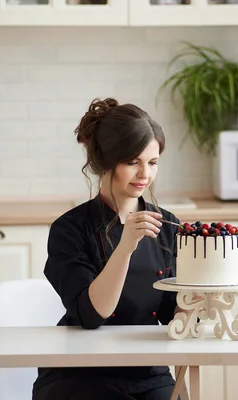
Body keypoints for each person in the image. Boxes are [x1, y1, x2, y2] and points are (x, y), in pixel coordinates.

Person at [32, 98, 182, 400]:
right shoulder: (69, 229)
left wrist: (203, 296)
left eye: (152, 163)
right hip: (81, 372)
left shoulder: (167, 225)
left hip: (147, 372)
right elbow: (91, 315)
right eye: (132, 162)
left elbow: (171, 315)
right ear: (106, 163)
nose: (145, 174)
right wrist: (126, 246)